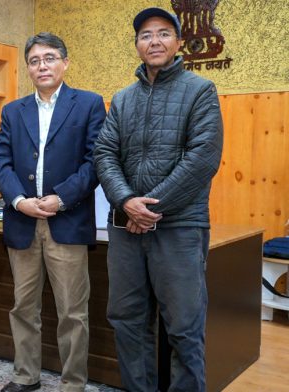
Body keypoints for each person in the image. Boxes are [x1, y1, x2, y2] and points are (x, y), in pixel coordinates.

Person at [94, 8, 223, 392]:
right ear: (137, 45)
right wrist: (126, 200)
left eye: (164, 34)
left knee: (184, 327)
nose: (154, 41)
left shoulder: (200, 91)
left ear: (179, 43)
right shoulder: (122, 98)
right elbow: (104, 154)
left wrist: (147, 208)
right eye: (146, 35)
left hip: (180, 228)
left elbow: (202, 158)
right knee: (127, 321)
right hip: (126, 229)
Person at [0, 32, 106, 392]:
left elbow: (95, 162)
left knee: (73, 312)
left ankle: (73, 383)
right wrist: (18, 200)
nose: (42, 65)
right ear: (28, 68)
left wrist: (60, 198)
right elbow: (1, 162)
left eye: (50, 58)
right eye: (35, 60)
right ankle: (26, 377)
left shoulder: (88, 104)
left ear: (65, 63)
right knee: (23, 307)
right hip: (23, 220)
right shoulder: (12, 110)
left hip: (67, 220)